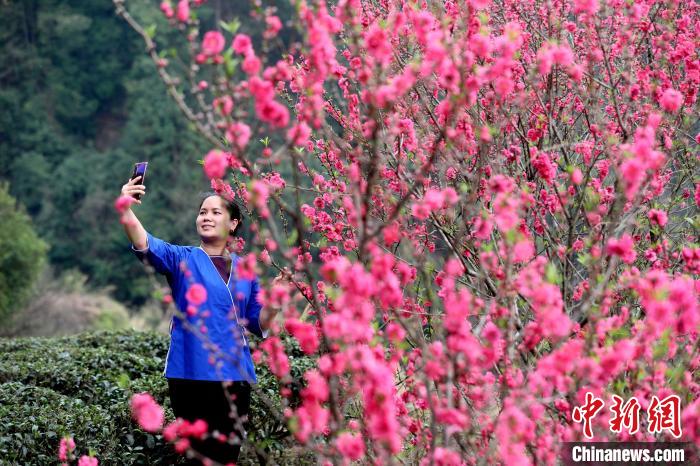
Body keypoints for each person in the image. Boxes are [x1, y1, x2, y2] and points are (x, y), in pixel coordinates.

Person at [120, 175, 283, 465]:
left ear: (233, 224)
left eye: (215, 212)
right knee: (199, 459)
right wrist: (125, 209)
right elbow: (144, 242)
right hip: (190, 375)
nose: (206, 217)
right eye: (202, 212)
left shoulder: (247, 271)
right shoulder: (181, 259)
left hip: (235, 378)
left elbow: (259, 324)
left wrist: (278, 302)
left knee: (227, 457)